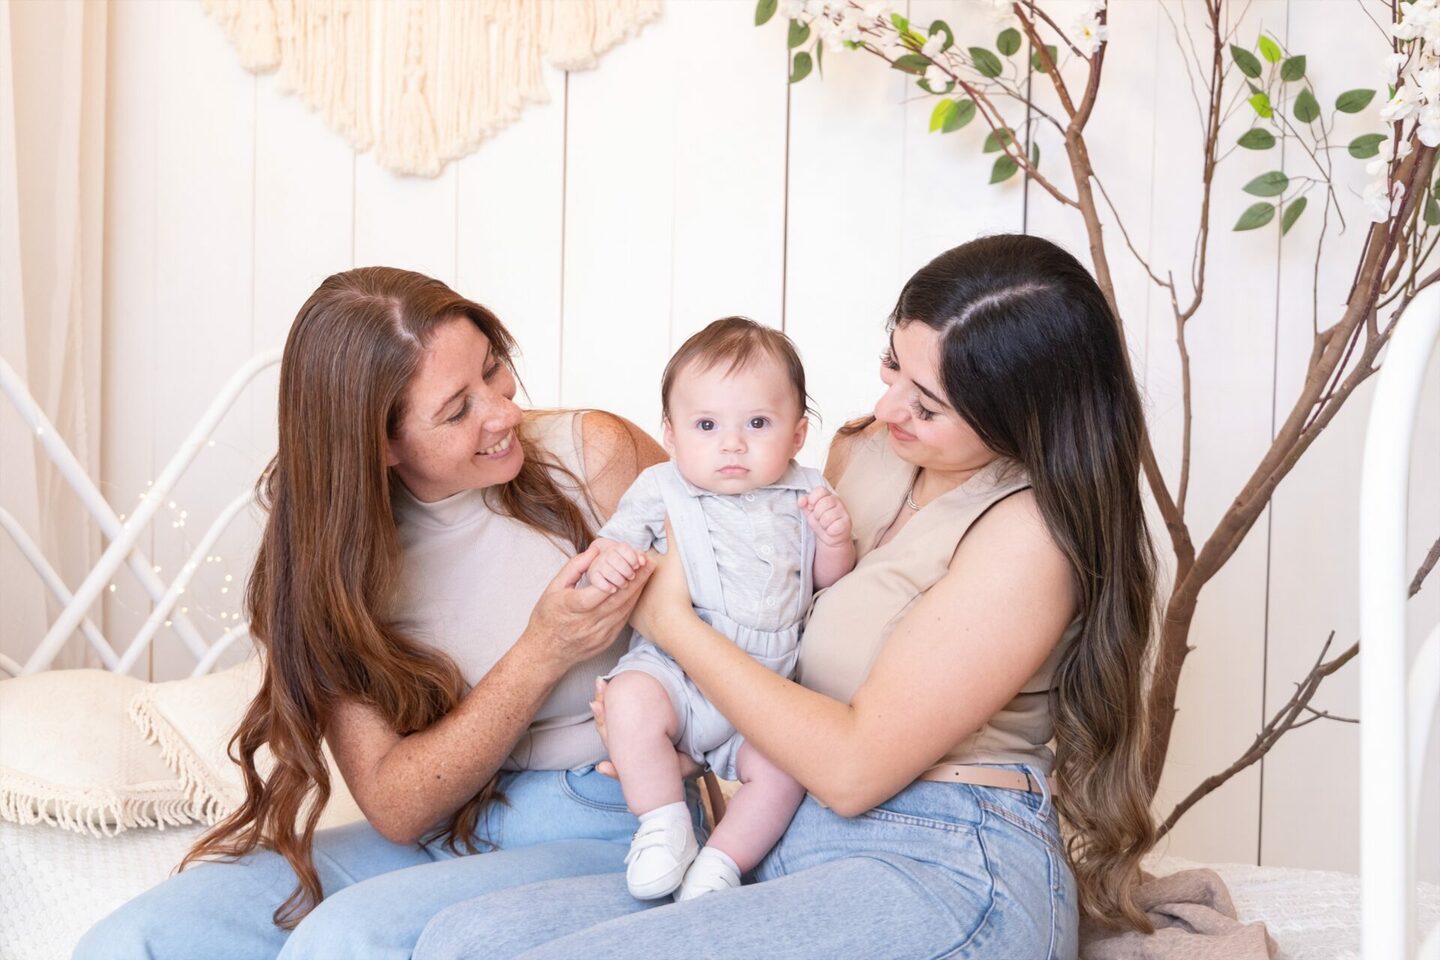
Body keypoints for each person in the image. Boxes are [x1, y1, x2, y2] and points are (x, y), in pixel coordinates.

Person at [411, 233, 1160, 960]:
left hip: (947, 854)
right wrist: (678, 741)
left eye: (927, 405)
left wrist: (670, 623)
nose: (889, 406)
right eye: (892, 365)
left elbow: (856, 766)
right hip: (792, 830)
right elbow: (776, 623)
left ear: (1021, 417)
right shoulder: (864, 453)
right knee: (462, 942)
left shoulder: (1028, 535)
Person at [73, 267, 706, 960]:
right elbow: (398, 805)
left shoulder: (595, 456)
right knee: (134, 941)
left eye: (495, 372)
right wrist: (542, 650)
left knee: (345, 943)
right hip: (449, 830)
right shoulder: (337, 559)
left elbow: (738, 617)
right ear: (379, 443)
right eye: (456, 409)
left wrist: (700, 739)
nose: (502, 413)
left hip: (611, 817)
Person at [585, 318, 855, 902]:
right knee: (629, 700)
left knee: (785, 769)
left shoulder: (808, 493)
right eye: (706, 425)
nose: (732, 444)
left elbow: (826, 584)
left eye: (758, 424)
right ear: (672, 433)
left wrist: (834, 541)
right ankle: (663, 824)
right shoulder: (661, 487)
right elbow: (614, 545)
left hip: (765, 687)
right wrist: (609, 561)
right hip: (674, 674)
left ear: (798, 433)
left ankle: (721, 864)